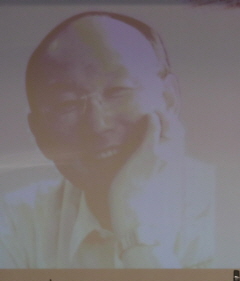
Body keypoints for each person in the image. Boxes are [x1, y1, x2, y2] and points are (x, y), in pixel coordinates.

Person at [0, 11, 214, 268]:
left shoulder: (228, 207)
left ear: (169, 99)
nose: (97, 125)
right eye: (67, 104)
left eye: (117, 91)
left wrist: (136, 228)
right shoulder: (15, 222)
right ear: (39, 133)